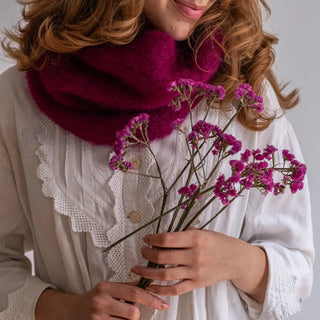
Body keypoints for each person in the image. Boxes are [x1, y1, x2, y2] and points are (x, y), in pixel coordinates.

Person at [0, 0, 314, 319]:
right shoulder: (17, 96)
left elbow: (297, 272)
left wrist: (240, 262)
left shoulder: (242, 91)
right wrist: (62, 310)